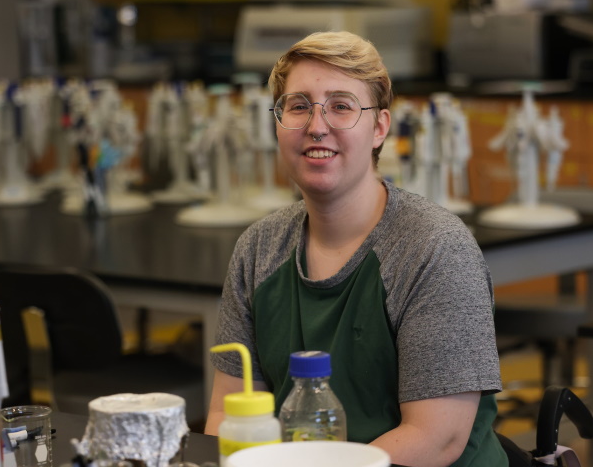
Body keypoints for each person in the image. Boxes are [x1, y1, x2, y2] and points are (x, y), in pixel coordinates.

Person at [205, 31, 506, 467]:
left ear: (379, 127)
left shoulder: (435, 248)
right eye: (298, 106)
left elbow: (436, 438)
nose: (316, 126)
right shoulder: (259, 248)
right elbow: (225, 413)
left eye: (341, 106)